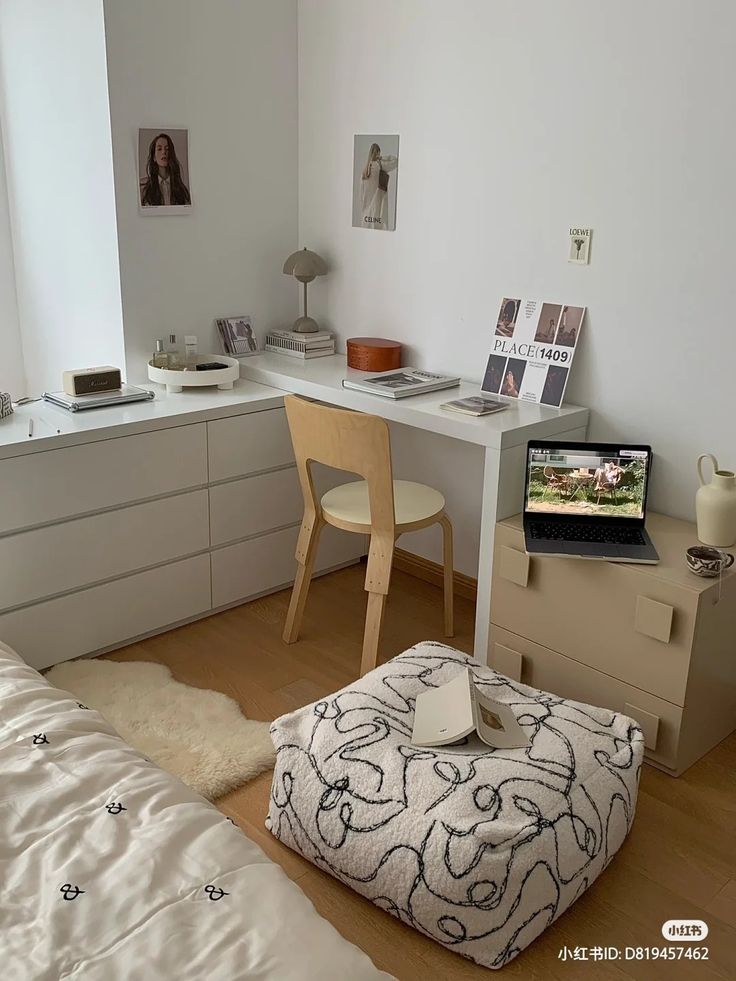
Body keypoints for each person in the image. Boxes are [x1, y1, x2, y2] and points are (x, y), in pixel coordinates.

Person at [140, 133, 191, 207]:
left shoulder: (181, 189)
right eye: (159, 149)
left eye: (167, 149)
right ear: (154, 157)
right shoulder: (144, 188)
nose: (164, 152)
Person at [359, 142, 397, 229]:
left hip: (365, 218)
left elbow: (361, 196)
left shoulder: (364, 173)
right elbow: (395, 161)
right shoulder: (380, 165)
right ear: (378, 153)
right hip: (377, 214)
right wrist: (382, 158)